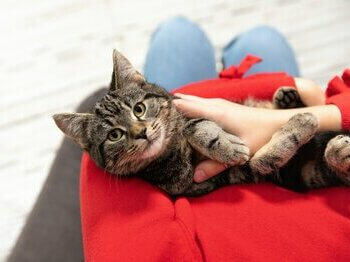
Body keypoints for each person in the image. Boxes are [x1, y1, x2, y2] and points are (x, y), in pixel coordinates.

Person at [8, 16, 350, 261]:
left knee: (177, 34)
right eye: (117, 134)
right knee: (261, 40)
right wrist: (302, 102)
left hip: (238, 117)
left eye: (139, 112)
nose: (139, 130)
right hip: (290, 153)